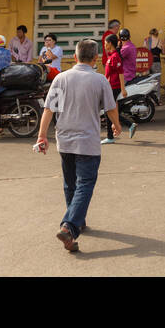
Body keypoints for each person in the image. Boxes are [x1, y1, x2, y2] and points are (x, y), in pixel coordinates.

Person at [35, 38, 123, 253]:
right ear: (96, 59)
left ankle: (76, 223)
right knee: (85, 184)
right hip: (88, 142)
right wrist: (117, 126)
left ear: (74, 57)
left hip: (64, 141)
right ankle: (70, 226)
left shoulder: (61, 79)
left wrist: (41, 136)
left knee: (70, 185)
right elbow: (111, 108)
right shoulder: (100, 80)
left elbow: (48, 109)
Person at [101, 35, 123, 144]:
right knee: (110, 110)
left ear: (110, 43)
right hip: (109, 86)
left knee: (108, 110)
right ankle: (113, 132)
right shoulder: (111, 56)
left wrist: (123, 89)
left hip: (114, 87)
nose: (104, 45)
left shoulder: (115, 57)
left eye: (105, 42)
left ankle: (111, 135)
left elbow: (121, 73)